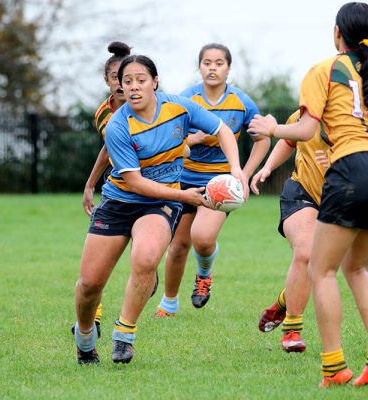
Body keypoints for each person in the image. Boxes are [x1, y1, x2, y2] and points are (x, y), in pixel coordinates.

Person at [248, 2, 368, 388]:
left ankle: (334, 367)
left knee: (322, 269)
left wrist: (272, 127)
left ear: (336, 33)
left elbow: (305, 127)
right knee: (357, 268)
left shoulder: (324, 70)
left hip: (352, 173)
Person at [73, 54, 248, 365]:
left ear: (155, 82)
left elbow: (222, 129)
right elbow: (136, 183)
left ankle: (124, 335)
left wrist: (236, 169)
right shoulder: (118, 125)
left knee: (146, 258)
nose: (134, 87)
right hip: (119, 202)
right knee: (89, 284)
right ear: (121, 87)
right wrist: (186, 197)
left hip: (159, 204)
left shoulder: (179, 107)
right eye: (127, 82)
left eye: (141, 80)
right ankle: (85, 338)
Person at [154, 43, 269, 317]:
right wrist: (196, 138)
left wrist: (244, 173)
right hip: (182, 180)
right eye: (207, 63)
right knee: (179, 245)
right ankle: (169, 303)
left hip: (220, 182)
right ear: (200, 67)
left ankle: (204, 276)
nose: (212, 68)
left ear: (228, 68)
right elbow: (172, 142)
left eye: (219, 63)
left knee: (202, 238)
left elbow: (263, 138)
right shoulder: (185, 99)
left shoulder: (241, 102)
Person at [251, 110, 329, 353]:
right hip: (301, 192)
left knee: (323, 269)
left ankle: (284, 301)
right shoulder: (308, 112)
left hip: (339, 201)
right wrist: (268, 167)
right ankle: (292, 331)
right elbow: (288, 140)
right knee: (305, 253)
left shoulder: (359, 115)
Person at [79, 41, 131, 338]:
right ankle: (93, 320)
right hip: (120, 191)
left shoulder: (157, 107)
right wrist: (90, 183)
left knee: (146, 265)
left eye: (128, 76)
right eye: (116, 77)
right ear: (109, 81)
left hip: (157, 193)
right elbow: (109, 149)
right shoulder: (104, 114)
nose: (122, 83)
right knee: (94, 269)